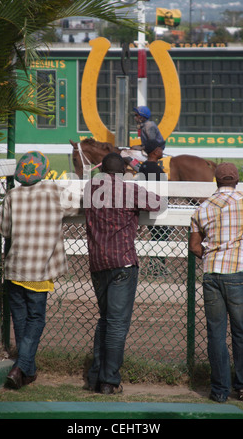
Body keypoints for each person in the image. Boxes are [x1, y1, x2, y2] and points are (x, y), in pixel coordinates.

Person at [0, 151, 81, 389]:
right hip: (40, 270)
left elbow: (4, 229)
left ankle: (27, 372)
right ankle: (20, 366)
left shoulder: (12, 195)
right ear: (43, 172)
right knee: (36, 320)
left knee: (21, 320)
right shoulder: (55, 192)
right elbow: (78, 207)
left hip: (15, 268)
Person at [84, 152, 165, 394]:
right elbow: (159, 203)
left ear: (101, 170)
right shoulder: (129, 189)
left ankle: (96, 376)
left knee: (105, 321)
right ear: (122, 172)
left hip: (98, 263)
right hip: (123, 262)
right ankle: (109, 380)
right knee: (117, 325)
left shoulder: (90, 188)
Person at [189, 162, 243, 403]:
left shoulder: (203, 208)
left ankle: (219, 389)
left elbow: (194, 246)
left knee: (216, 333)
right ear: (237, 180)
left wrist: (212, 255)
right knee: (241, 332)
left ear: (216, 181)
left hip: (212, 273)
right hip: (237, 273)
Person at [139, 139, 169, 276]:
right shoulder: (155, 169)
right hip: (157, 207)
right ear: (155, 151)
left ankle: (155, 265)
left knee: (158, 235)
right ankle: (157, 266)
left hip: (149, 205)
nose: (162, 151)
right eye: (160, 149)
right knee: (162, 235)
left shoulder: (144, 166)